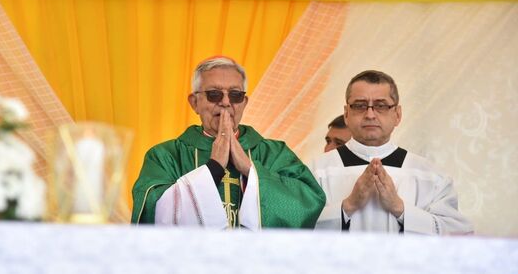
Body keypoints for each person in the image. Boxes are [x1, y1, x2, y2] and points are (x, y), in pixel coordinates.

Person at [131, 56, 325, 229]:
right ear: (194, 102)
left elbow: (309, 201)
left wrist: (251, 170)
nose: (225, 102)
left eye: (235, 95)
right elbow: (151, 211)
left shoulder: (275, 153)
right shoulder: (166, 155)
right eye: (214, 94)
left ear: (244, 103)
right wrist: (213, 168)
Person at [312, 70, 473, 234]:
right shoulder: (315, 173)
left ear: (397, 114)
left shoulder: (431, 177)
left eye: (381, 106)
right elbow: (293, 230)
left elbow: (459, 235)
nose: (369, 114)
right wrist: (349, 205)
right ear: (346, 114)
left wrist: (399, 208)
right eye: (360, 105)